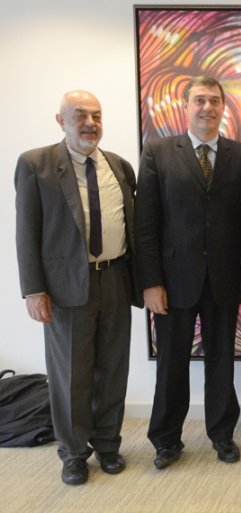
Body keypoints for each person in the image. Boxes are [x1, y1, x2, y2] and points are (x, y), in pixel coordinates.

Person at [135, 76, 241, 469]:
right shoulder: (158, 152)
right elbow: (145, 224)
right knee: (171, 364)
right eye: (200, 100)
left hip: (226, 278)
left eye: (214, 101)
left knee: (221, 362)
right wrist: (151, 283)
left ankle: (222, 434)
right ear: (186, 106)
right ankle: (166, 440)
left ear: (223, 107)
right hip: (173, 281)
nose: (207, 107)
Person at [14, 91, 138, 485]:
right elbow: (26, 231)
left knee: (112, 369)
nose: (90, 123)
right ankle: (73, 453)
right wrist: (34, 290)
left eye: (96, 116)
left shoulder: (119, 166)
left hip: (115, 278)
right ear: (61, 120)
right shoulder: (36, 165)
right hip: (65, 286)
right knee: (71, 374)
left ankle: (108, 445)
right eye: (80, 115)